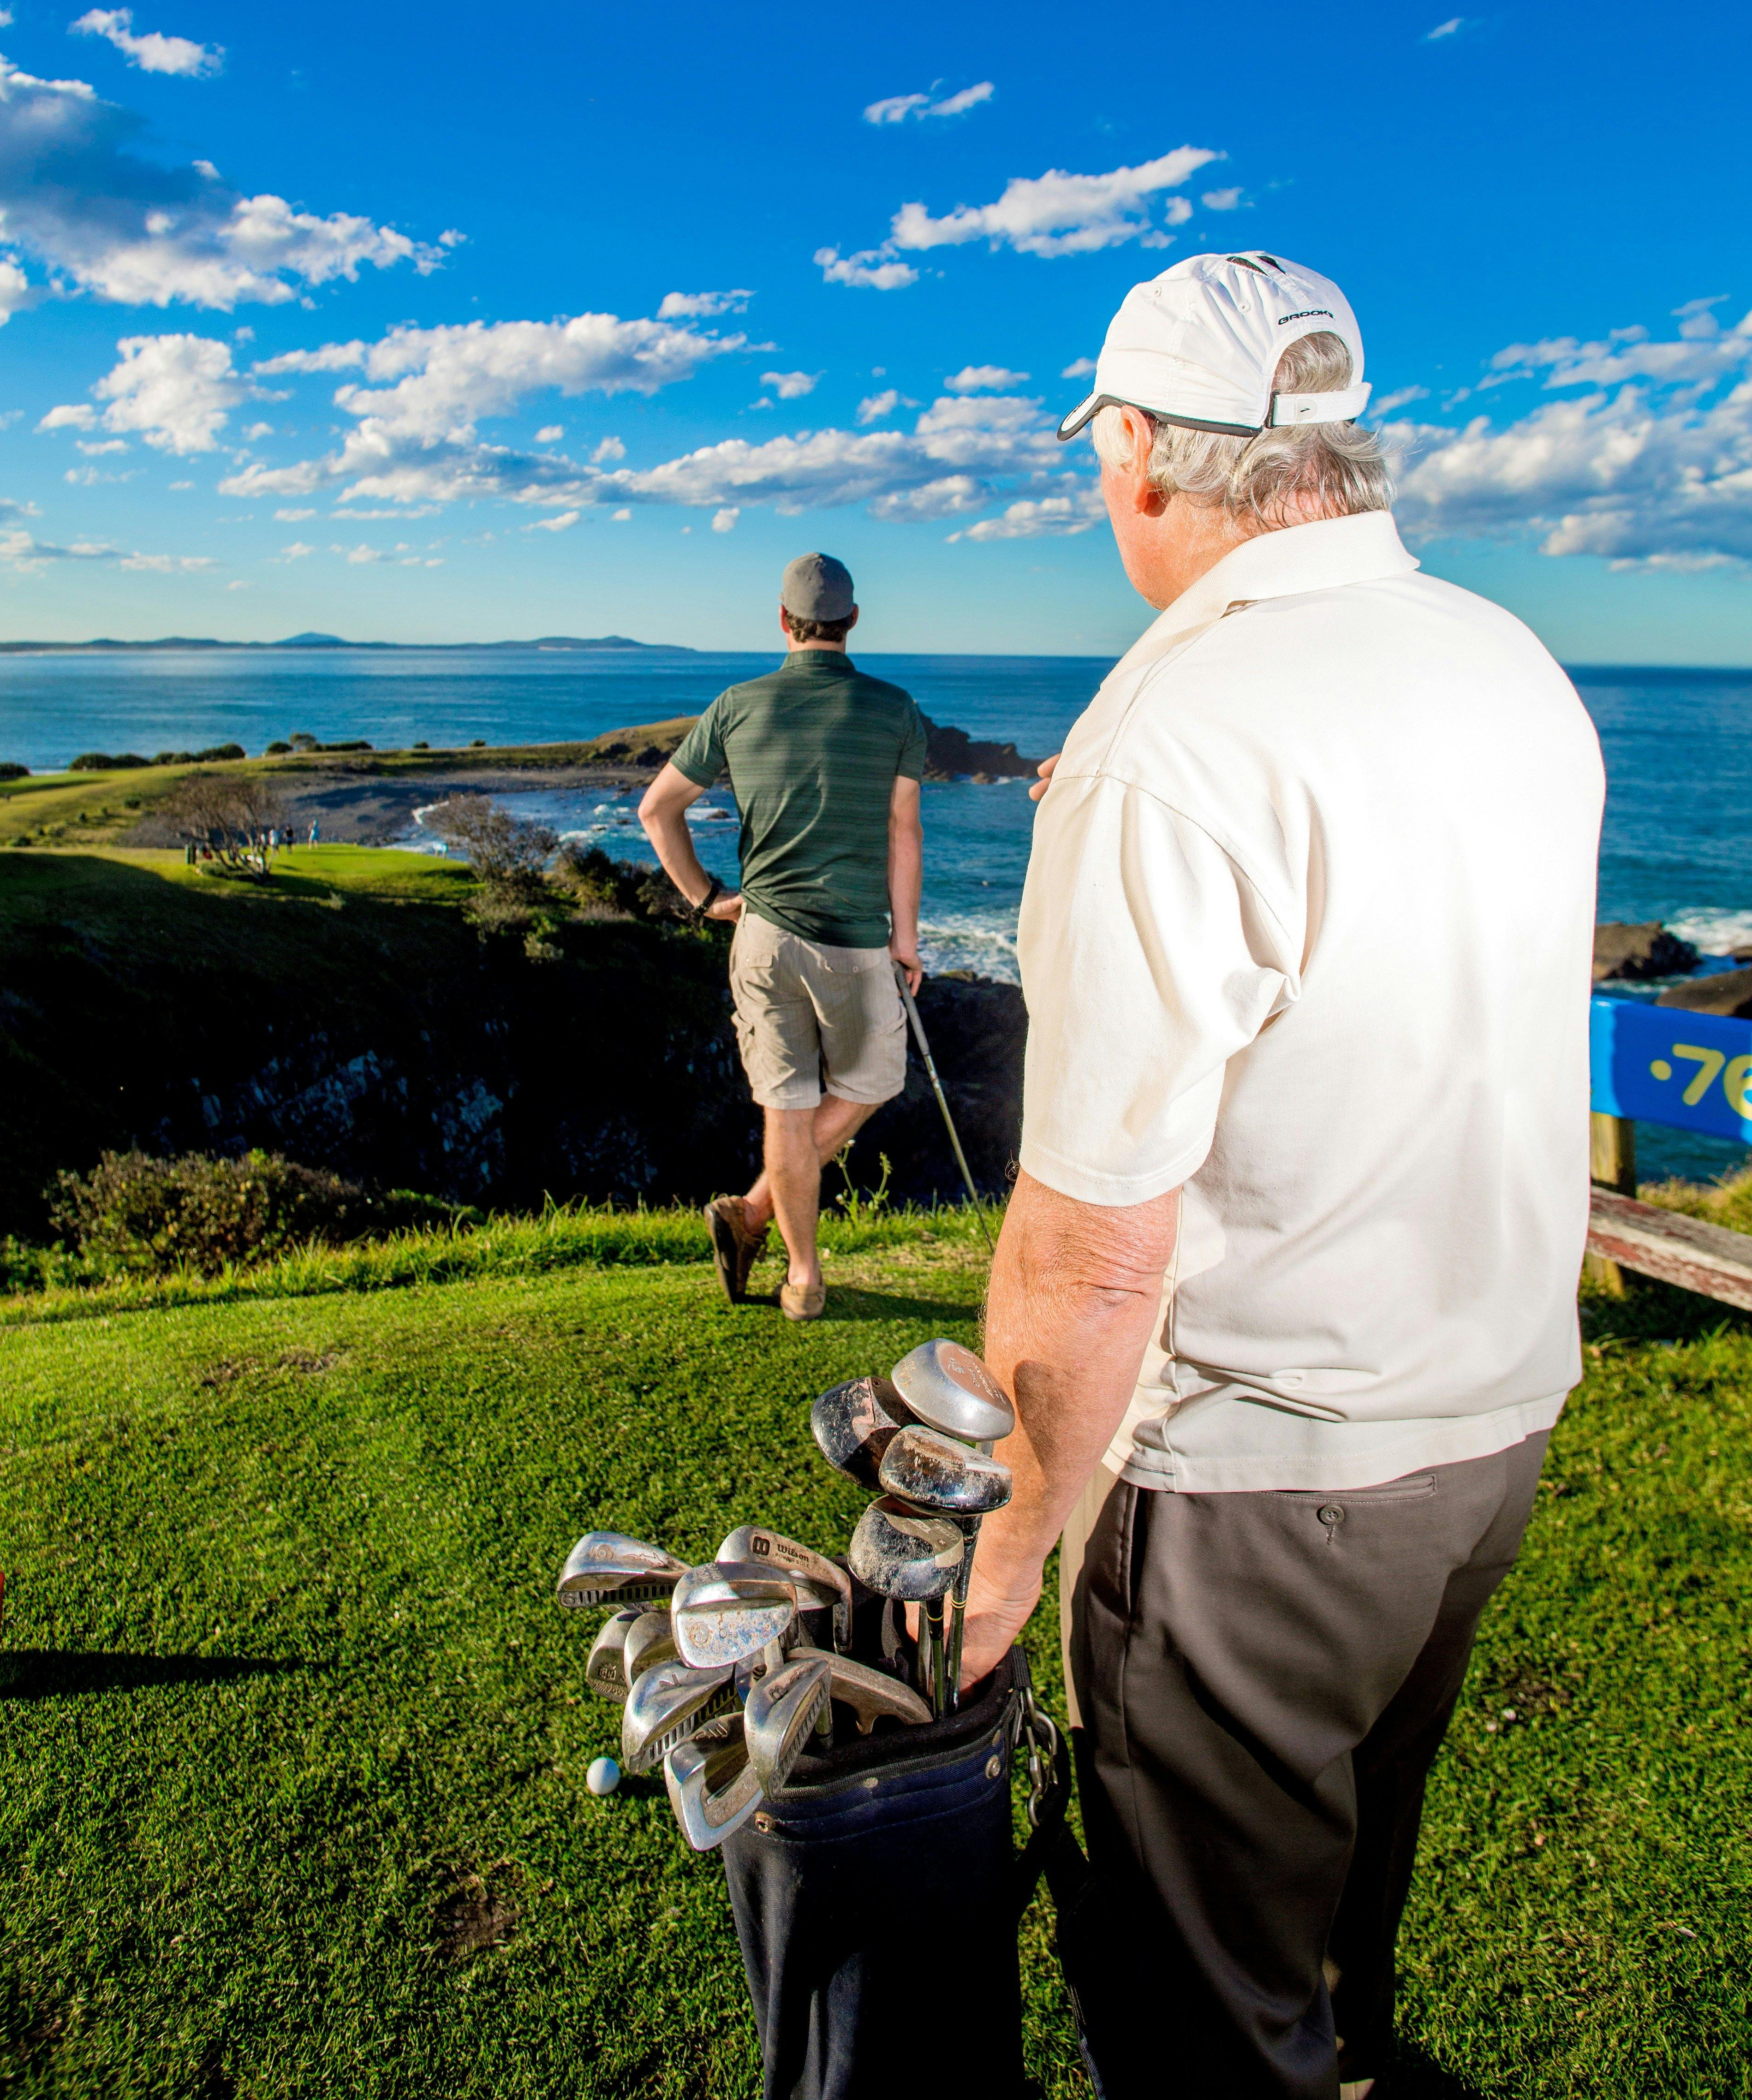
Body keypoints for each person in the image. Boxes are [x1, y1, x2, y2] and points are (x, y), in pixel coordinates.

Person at [959, 252, 1604, 2099]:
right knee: (1336, 1937)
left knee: (1201, 2021)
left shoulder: (1175, 736)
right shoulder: (1507, 661)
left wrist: (1003, 1564)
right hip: (1486, 1432)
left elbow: (1092, 1241)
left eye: (1106, 452)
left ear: (1146, 452)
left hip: (1265, 1486)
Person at [638, 553, 926, 1322]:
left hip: (762, 938)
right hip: (858, 944)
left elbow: (656, 811)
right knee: (867, 1087)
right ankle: (784, 1253)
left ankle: (782, 1251)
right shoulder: (896, 709)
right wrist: (907, 941)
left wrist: (706, 900)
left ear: (783, 621)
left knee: (788, 1112)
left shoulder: (738, 705)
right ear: (853, 621)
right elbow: (904, 831)